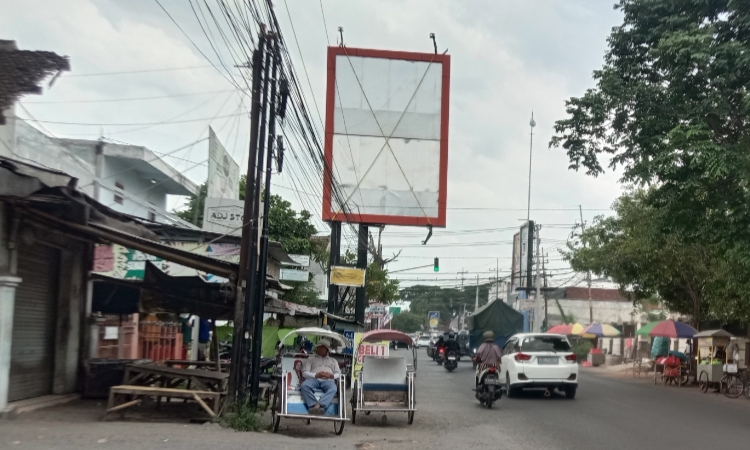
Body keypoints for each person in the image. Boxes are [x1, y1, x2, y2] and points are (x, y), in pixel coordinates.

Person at [300, 339, 341, 415]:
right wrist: (315, 375)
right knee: (304, 386)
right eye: (319, 347)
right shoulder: (311, 359)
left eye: (323, 347)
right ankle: (313, 405)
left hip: (328, 380)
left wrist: (332, 376)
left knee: (333, 389)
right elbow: (304, 373)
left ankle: (319, 405)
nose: (320, 348)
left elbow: (338, 374)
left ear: (327, 350)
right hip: (314, 379)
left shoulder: (333, 361)